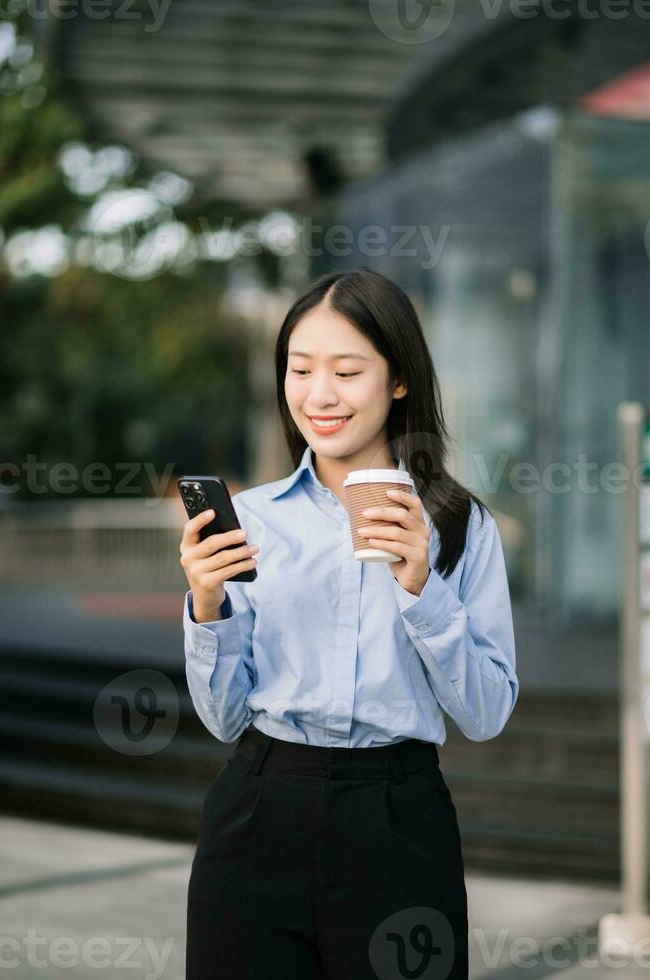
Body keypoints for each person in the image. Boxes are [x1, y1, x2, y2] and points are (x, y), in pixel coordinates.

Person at [179, 267, 519, 980]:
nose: (318, 394)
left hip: (398, 823)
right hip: (258, 811)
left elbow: (485, 713)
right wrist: (206, 607)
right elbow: (222, 718)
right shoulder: (256, 519)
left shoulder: (457, 526)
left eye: (347, 370)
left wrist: (421, 587)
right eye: (299, 369)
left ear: (398, 380)